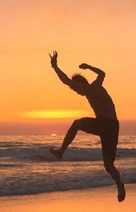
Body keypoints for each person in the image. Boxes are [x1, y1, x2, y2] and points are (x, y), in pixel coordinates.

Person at [48, 51, 125, 202]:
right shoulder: (96, 86)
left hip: (105, 123)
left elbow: (66, 81)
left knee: (76, 124)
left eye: (76, 89)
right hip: (112, 125)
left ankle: (61, 152)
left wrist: (55, 67)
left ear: (81, 85)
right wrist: (89, 67)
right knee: (108, 165)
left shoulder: (88, 89)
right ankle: (120, 185)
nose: (77, 92)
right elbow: (102, 73)